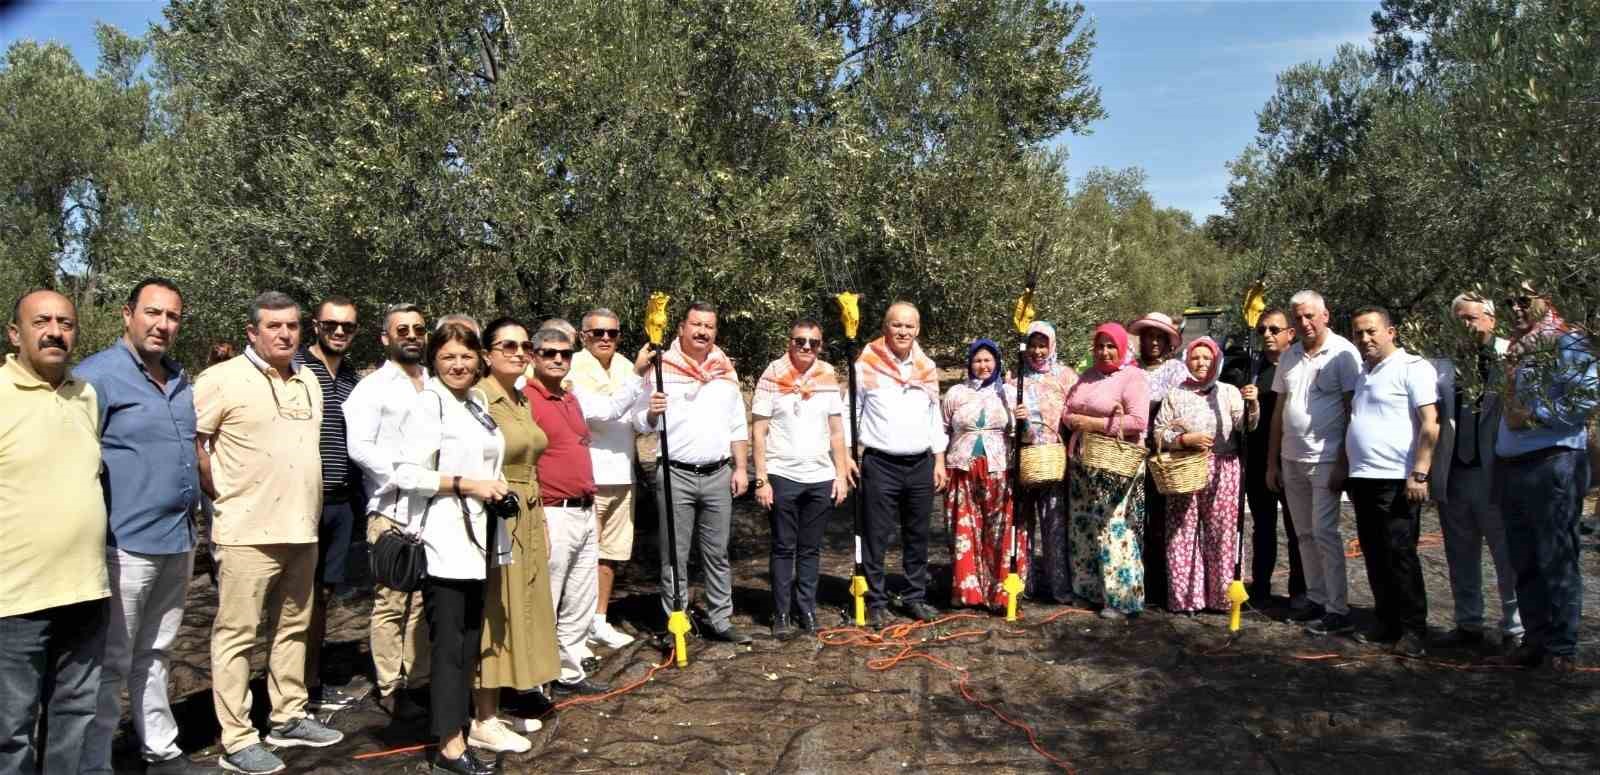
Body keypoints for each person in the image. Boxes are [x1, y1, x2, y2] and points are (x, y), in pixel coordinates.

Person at [195, 292, 342, 774]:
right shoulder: (220, 380)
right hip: (245, 533)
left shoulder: (307, 382)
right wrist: (224, 495)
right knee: (236, 635)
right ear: (252, 332)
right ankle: (237, 738)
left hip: (303, 528)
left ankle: (288, 715)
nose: (285, 334)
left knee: (293, 628)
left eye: (293, 326)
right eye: (274, 326)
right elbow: (198, 445)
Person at [76, 279, 207, 774]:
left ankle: (160, 746)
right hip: (123, 543)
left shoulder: (178, 379)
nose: (163, 325)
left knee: (157, 651)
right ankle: (95, 761)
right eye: (153, 313)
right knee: (111, 661)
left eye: (172, 316)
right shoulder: (97, 377)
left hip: (177, 538)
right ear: (127, 314)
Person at [394, 320, 512, 775]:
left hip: (479, 541)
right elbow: (406, 473)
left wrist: (493, 485)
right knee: (448, 645)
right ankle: (449, 745)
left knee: (466, 642)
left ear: (479, 358)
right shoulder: (430, 406)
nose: (458, 365)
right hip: (445, 541)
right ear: (433, 361)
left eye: (466, 356)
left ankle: (457, 728)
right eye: (448, 357)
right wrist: (467, 485)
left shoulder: (476, 402)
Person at [0, 289, 110, 774]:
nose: (55, 332)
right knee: (11, 730)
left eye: (65, 323)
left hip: (86, 590)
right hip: (15, 599)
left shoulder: (84, 395)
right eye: (41, 321)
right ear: (14, 333)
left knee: (74, 719)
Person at [522, 325, 648, 696]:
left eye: (563, 354)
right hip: (552, 509)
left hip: (582, 505)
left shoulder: (570, 397)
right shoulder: (524, 397)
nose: (558, 359)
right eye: (549, 353)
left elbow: (610, 410)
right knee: (548, 596)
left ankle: (568, 670)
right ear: (533, 355)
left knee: (580, 596)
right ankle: (534, 680)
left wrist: (638, 375)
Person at [1487, 286, 1597, 672]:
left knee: (1556, 556)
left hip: (1552, 462)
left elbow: (1587, 397)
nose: (1515, 307)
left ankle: (1561, 648)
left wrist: (1535, 416)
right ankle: (1536, 639)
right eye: (1509, 301)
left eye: (1523, 300)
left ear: (1547, 299)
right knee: (1524, 556)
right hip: (1513, 465)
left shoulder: (1566, 341)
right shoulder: (1519, 346)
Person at [463, 318, 558, 753]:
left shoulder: (520, 398)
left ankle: (498, 708)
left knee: (521, 610)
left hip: (529, 513)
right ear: (486, 352)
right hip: (498, 514)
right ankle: (481, 717)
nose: (519, 353)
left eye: (524, 346)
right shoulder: (479, 398)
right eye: (508, 345)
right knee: (495, 612)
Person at [636, 302, 753, 643]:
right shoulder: (660, 366)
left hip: (718, 473)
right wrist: (652, 415)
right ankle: (677, 620)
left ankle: (720, 619)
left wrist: (741, 468)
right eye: (696, 324)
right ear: (681, 329)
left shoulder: (724, 370)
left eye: (709, 326)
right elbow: (638, 420)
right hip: (675, 475)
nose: (702, 331)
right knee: (675, 555)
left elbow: (736, 426)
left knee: (717, 553)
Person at [344, 303, 431, 716]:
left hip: (434, 509)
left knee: (422, 601)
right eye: (402, 330)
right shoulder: (373, 387)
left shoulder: (434, 383)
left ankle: (418, 679)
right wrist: (402, 474)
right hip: (391, 509)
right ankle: (390, 685)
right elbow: (358, 446)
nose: (411, 335)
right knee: (392, 601)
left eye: (418, 329)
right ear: (386, 338)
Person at [1266, 290, 1362, 637]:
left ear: (1325, 315)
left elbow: (1354, 410)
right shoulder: (1290, 356)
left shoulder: (1344, 354)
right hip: (1291, 458)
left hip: (1326, 458)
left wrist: (1343, 461)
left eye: (1309, 316)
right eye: (1298, 318)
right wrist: (1272, 462)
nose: (1304, 323)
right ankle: (1317, 600)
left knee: (1324, 533)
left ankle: (1338, 607)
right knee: (1303, 534)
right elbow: (1279, 411)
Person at [1344, 308, 1440, 656]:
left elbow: (1431, 422)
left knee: (1400, 555)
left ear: (1391, 331)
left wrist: (1420, 472)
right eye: (1358, 334)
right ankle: (1387, 623)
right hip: (1364, 478)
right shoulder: (1363, 374)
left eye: (1371, 332)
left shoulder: (1413, 368)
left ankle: (1414, 630)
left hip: (1396, 480)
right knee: (1374, 554)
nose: (1364, 339)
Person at [1433, 293, 1523, 651]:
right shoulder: (1442, 364)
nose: (1465, 326)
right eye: (1459, 319)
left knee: (1506, 555)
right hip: (1454, 471)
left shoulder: (1512, 357)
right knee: (1459, 553)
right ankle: (1468, 623)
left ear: (1491, 319)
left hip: (1496, 472)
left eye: (1471, 318)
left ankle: (1515, 629)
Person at [751, 319, 850, 639]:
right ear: (789, 341)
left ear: (820, 345)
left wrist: (840, 474)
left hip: (820, 476)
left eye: (813, 343)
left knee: (810, 549)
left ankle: (805, 608)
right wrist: (761, 479)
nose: (806, 347)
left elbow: (836, 430)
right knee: (783, 547)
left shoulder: (827, 375)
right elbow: (759, 430)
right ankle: (780, 611)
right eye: (800, 341)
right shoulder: (772, 373)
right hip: (783, 475)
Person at [853, 302, 949, 626]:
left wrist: (939, 459)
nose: (903, 332)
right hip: (881, 464)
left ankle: (914, 597)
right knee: (876, 537)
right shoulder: (864, 364)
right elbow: (851, 413)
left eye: (909, 326)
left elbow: (934, 416)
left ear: (917, 329)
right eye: (897, 325)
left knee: (918, 535)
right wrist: (846, 459)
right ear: (886, 327)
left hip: (920, 463)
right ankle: (876, 601)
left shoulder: (927, 367)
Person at [292, 296, 363, 713]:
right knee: (296, 597)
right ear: (315, 325)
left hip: (342, 502)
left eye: (348, 326)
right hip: (303, 499)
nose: (339, 331)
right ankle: (290, 688)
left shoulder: (353, 378)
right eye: (331, 324)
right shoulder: (298, 369)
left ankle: (311, 681)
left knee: (322, 596)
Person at [1154, 337, 1257, 614]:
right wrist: (1187, 439)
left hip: (1223, 469)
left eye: (1206, 358)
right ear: (1187, 361)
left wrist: (1252, 405)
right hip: (1184, 469)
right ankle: (1187, 598)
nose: (1201, 363)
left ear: (1216, 361)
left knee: (1222, 534)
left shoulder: (1228, 393)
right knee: (1182, 532)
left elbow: (1244, 426)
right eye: (1195, 358)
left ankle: (1223, 598)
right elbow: (1160, 432)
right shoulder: (1176, 394)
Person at [1063, 322, 1150, 620]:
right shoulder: (1086, 377)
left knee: (1114, 528)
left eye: (1111, 345)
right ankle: (1090, 591)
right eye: (1100, 345)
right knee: (1084, 526)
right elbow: (1067, 409)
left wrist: (1095, 425)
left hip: (1116, 464)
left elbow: (1138, 421)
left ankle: (1121, 597)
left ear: (1123, 347)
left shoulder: (1133, 377)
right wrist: (1073, 420)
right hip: (1084, 464)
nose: (1105, 351)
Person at [1223, 308, 1307, 609]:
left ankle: (1300, 590)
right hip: (1257, 459)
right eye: (1262, 331)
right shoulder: (1250, 368)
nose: (1268, 335)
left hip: (1292, 457)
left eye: (1274, 329)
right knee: (1263, 526)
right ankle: (1260, 588)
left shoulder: (1299, 366)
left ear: (1290, 333)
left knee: (1298, 526)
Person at [569, 308, 642, 649]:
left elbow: (636, 417)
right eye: (598, 333)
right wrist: (638, 377)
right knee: (583, 555)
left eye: (612, 333)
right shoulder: (572, 366)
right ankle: (575, 627)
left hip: (622, 474)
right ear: (584, 335)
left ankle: (599, 619)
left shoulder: (627, 366)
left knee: (610, 554)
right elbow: (602, 411)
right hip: (589, 475)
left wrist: (652, 414)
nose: (605, 339)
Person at [942, 339, 1021, 611]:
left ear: (997, 362)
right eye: (978, 360)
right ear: (970, 364)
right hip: (961, 467)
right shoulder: (955, 393)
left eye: (988, 360)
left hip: (998, 468)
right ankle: (968, 592)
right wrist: (938, 464)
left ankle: (998, 592)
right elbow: (942, 430)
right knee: (964, 528)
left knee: (997, 530)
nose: (983, 365)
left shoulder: (1009, 394)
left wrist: (1023, 419)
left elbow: (1022, 434)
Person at [1013, 322, 1078, 604]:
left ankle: (1059, 587)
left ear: (1052, 345)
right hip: (1025, 460)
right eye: (1033, 345)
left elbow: (1076, 414)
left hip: (1054, 459)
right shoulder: (1016, 377)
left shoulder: (1065, 376)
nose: (1038, 351)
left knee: (1055, 524)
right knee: (1022, 524)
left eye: (1043, 345)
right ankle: (1022, 584)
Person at [1129, 312, 1188, 609]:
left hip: (1165, 454)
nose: (1152, 342)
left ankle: (1163, 585)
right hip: (1132, 453)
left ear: (1168, 342)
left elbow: (1183, 409)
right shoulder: (1132, 369)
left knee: (1163, 519)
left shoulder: (1177, 371)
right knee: (1137, 517)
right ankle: (1140, 582)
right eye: (1148, 336)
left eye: (1159, 337)